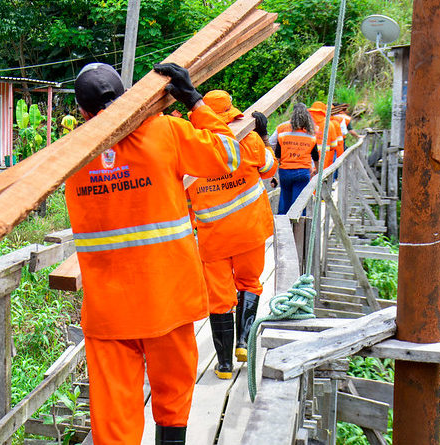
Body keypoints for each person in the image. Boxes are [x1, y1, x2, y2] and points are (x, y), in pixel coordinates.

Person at [65, 62, 241, 444]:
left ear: (80, 111)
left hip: (108, 312)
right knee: (173, 400)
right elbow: (229, 156)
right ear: (129, 96)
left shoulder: (70, 157)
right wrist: (193, 100)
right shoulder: (166, 132)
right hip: (168, 301)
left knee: (114, 422)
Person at [188, 90, 278, 379]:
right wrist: (263, 136)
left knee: (219, 298)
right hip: (249, 230)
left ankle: (224, 365)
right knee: (250, 283)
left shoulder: (192, 149)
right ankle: (243, 344)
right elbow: (269, 169)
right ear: (231, 113)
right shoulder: (247, 141)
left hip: (213, 238)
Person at [269, 103, 319, 214]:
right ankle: (298, 229)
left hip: (285, 171)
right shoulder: (310, 134)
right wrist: (317, 169)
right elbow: (315, 156)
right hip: (303, 172)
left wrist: (273, 175)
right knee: (299, 203)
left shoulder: (283, 132)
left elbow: (277, 156)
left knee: (284, 201)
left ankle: (282, 226)